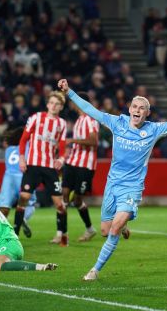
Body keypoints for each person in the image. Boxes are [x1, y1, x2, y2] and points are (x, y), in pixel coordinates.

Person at [57, 78, 167, 281]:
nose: (137, 110)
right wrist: (69, 92)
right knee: (106, 231)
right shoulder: (117, 122)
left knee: (113, 229)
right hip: (112, 184)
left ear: (147, 113)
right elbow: (90, 110)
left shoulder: (153, 130)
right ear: (129, 108)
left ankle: (94, 270)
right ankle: (123, 224)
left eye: (142, 108)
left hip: (132, 187)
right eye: (134, 106)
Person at [15, 91, 68, 246]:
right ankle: (15, 235)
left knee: (59, 203)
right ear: (47, 104)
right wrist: (22, 157)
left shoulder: (62, 124)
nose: (53, 106)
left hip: (50, 168)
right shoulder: (36, 118)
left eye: (57, 104)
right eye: (51, 103)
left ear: (61, 107)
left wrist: (62, 158)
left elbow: (63, 145)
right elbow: (23, 139)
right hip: (32, 166)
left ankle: (62, 235)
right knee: (23, 198)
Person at [63, 96, 99, 242]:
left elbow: (93, 141)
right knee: (63, 195)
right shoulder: (78, 120)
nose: (72, 103)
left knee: (77, 199)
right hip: (72, 162)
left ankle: (90, 229)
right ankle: (62, 234)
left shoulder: (90, 120)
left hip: (85, 165)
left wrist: (72, 140)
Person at [0, 127, 37, 229]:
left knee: (4, 206)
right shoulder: (28, 146)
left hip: (8, 178)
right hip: (23, 177)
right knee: (29, 203)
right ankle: (23, 218)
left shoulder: (8, 150)